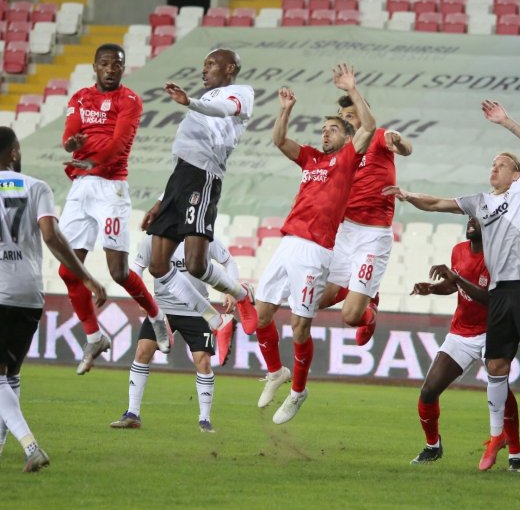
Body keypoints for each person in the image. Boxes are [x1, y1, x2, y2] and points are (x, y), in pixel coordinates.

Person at [383, 101, 520, 478]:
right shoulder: (481, 203)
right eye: (492, 164)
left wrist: (505, 121)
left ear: (515, 174)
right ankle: (497, 438)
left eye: (501, 165)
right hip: (501, 292)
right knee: (496, 367)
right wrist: (408, 195)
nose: (493, 168)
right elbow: (439, 203)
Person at [254, 63, 376, 425]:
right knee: (261, 315)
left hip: (315, 249)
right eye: (323, 129)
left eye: (333, 129)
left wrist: (353, 89)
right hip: (289, 242)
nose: (325, 134)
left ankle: (298, 391)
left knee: (299, 326)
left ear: (346, 135)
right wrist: (285, 111)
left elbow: (368, 126)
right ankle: (276, 372)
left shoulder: (347, 159)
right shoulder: (310, 157)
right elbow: (278, 140)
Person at [0, 127, 107, 471]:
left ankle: (31, 446)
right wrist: (86, 276)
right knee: (10, 373)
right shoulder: (37, 187)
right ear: (14, 152)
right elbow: (51, 235)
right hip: (29, 293)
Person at [59, 44, 168, 375]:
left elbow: (119, 144)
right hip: (81, 186)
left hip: (111, 189)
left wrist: (91, 158)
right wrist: (71, 145)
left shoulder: (130, 101)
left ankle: (155, 315)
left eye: (116, 64)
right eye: (105, 64)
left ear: (123, 68)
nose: (111, 69)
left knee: (118, 272)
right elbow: (68, 137)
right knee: (67, 270)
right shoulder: (79, 97)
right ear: (94, 66)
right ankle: (94, 337)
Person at [141, 48, 257, 360]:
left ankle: (242, 295)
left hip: (203, 177)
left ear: (229, 67)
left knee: (195, 264)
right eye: (203, 65)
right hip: (179, 179)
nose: (204, 70)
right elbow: (182, 153)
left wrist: (190, 102)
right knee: (157, 265)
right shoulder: (202, 103)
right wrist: (160, 200)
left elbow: (223, 109)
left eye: (210, 65)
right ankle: (216, 321)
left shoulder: (240, 93)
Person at [408, 218, 520, 472]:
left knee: (500, 387)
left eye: (479, 219)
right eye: (469, 218)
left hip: (493, 331)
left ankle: (515, 452)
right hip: (461, 332)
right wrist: (432, 289)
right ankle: (432, 446)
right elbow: (453, 285)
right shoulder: (459, 250)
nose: (471, 221)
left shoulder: (498, 257)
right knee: (428, 391)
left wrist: (457, 278)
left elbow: (493, 300)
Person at [109, 234, 238, 432]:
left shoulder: (202, 237)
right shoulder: (155, 237)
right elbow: (137, 267)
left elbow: (229, 262)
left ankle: (204, 420)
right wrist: (141, 296)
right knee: (142, 351)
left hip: (197, 310)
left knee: (203, 361)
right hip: (162, 309)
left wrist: (231, 290)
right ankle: (132, 413)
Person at [317, 95, 412, 346]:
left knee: (350, 316)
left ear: (363, 114)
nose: (344, 120)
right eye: (342, 116)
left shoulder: (379, 135)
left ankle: (369, 312)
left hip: (372, 235)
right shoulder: (342, 150)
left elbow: (406, 148)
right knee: (315, 300)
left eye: (350, 115)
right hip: (344, 231)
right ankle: (365, 291)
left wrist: (399, 141)